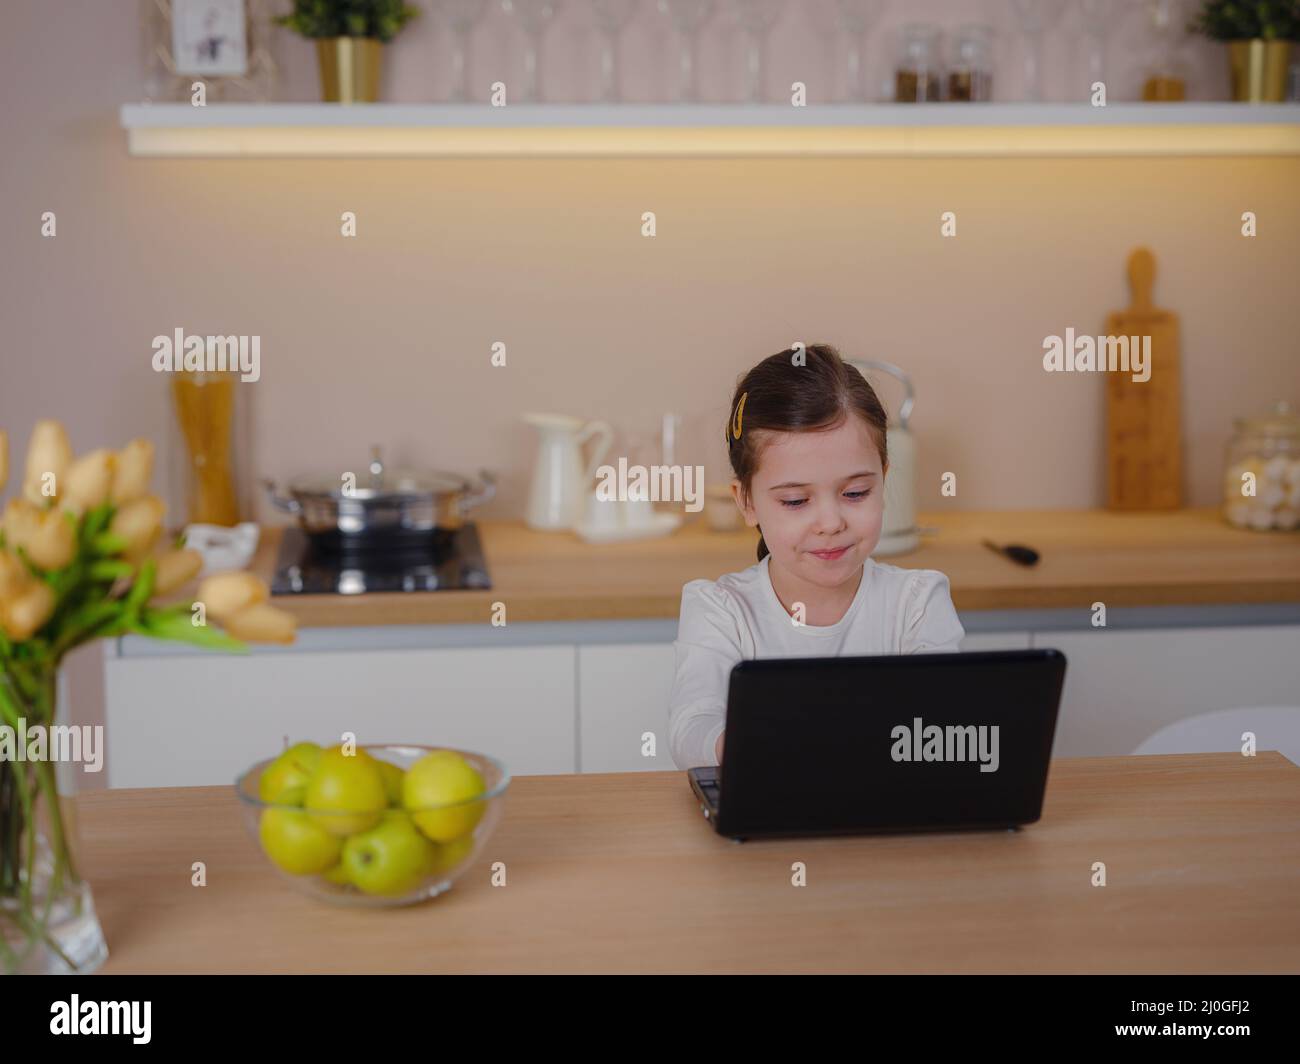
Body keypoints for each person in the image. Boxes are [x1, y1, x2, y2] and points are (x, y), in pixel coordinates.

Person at [667, 343, 965, 770]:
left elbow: (943, 726)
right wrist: (760, 738)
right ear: (746, 501)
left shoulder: (917, 602)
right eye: (794, 500)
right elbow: (690, 731)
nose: (830, 522)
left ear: (884, 480)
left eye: (856, 493)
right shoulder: (720, 609)